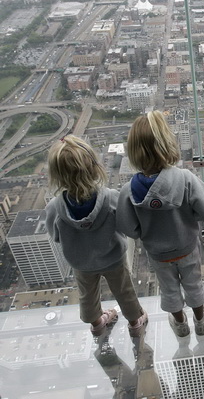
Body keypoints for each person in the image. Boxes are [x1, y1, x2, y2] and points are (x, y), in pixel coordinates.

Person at [117, 111, 204, 337]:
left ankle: (180, 325)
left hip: (158, 253)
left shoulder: (128, 191)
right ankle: (201, 321)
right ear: (166, 143)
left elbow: (128, 228)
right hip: (187, 247)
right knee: (193, 284)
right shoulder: (185, 178)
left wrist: (145, 230)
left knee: (169, 289)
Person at [45, 135, 147, 337]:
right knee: (124, 290)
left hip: (81, 262)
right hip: (112, 258)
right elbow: (127, 226)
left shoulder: (55, 208)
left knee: (87, 295)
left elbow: (55, 235)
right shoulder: (110, 198)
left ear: (57, 175)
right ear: (94, 167)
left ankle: (97, 324)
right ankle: (135, 322)